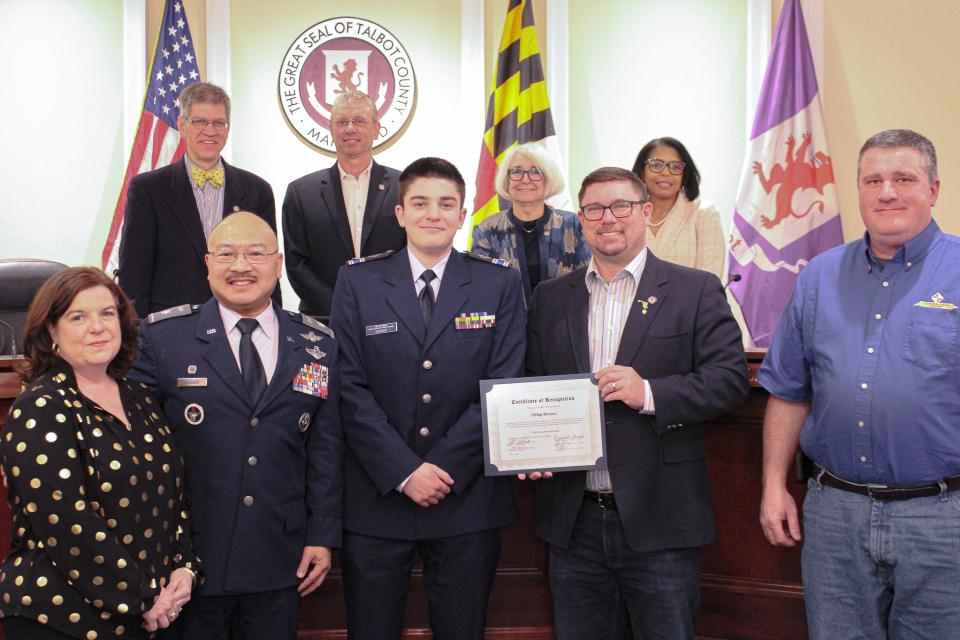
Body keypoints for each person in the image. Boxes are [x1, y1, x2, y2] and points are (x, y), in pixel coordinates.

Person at [525, 167, 748, 639]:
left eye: (621, 206)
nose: (608, 218)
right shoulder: (549, 298)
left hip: (660, 518)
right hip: (573, 521)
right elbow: (532, 384)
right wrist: (528, 446)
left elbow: (729, 381)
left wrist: (648, 392)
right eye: (594, 209)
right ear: (580, 220)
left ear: (645, 212)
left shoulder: (695, 290)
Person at [759, 129, 960, 640]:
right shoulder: (819, 276)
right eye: (873, 180)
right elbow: (788, 391)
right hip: (834, 515)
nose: (887, 192)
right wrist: (773, 485)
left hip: (941, 519)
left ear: (933, 189)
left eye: (903, 178)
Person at [330, 157, 526, 639]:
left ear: (464, 215)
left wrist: (440, 469)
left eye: (446, 204)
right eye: (419, 203)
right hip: (379, 497)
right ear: (400, 213)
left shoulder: (498, 282)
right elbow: (347, 387)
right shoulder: (357, 281)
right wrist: (403, 471)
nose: (432, 214)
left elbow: (501, 386)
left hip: (465, 497)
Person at [128, 212, 342, 640]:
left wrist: (322, 534)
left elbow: (325, 449)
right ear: (207, 264)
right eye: (226, 254)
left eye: (256, 254)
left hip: (279, 555)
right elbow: (137, 448)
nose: (241, 266)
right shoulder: (163, 339)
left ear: (278, 264)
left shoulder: (317, 345)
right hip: (188, 559)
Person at [0, 267, 198, 640]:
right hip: (62, 618)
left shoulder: (140, 399)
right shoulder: (40, 407)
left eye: (107, 313)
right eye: (78, 317)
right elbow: (67, 522)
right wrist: (143, 598)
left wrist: (184, 569)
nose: (98, 326)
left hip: (153, 613)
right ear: (51, 332)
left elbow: (175, 494)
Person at [119, 82, 278, 318]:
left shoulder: (257, 190)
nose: (210, 130)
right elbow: (134, 274)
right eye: (199, 122)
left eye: (218, 123)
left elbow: (268, 266)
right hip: (171, 326)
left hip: (242, 323)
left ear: (228, 127)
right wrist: (136, 340)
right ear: (182, 126)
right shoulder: (147, 190)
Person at [283, 90, 405, 319]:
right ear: (330, 129)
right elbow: (296, 265)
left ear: (376, 129)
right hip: (324, 319)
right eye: (341, 122)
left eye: (359, 121)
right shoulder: (301, 192)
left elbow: (412, 254)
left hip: (391, 317)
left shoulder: (404, 188)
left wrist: (381, 305)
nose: (350, 128)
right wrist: (340, 307)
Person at [471, 142, 591, 302]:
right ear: (507, 180)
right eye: (516, 171)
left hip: (564, 322)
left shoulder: (573, 225)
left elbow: (586, 282)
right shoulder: (487, 229)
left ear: (548, 178)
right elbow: (482, 287)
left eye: (535, 171)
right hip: (507, 323)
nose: (525, 179)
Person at [631, 137, 724, 278]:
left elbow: (710, 278)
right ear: (642, 172)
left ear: (684, 174)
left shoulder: (704, 214)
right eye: (656, 165)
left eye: (675, 167)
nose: (666, 173)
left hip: (691, 300)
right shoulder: (627, 215)